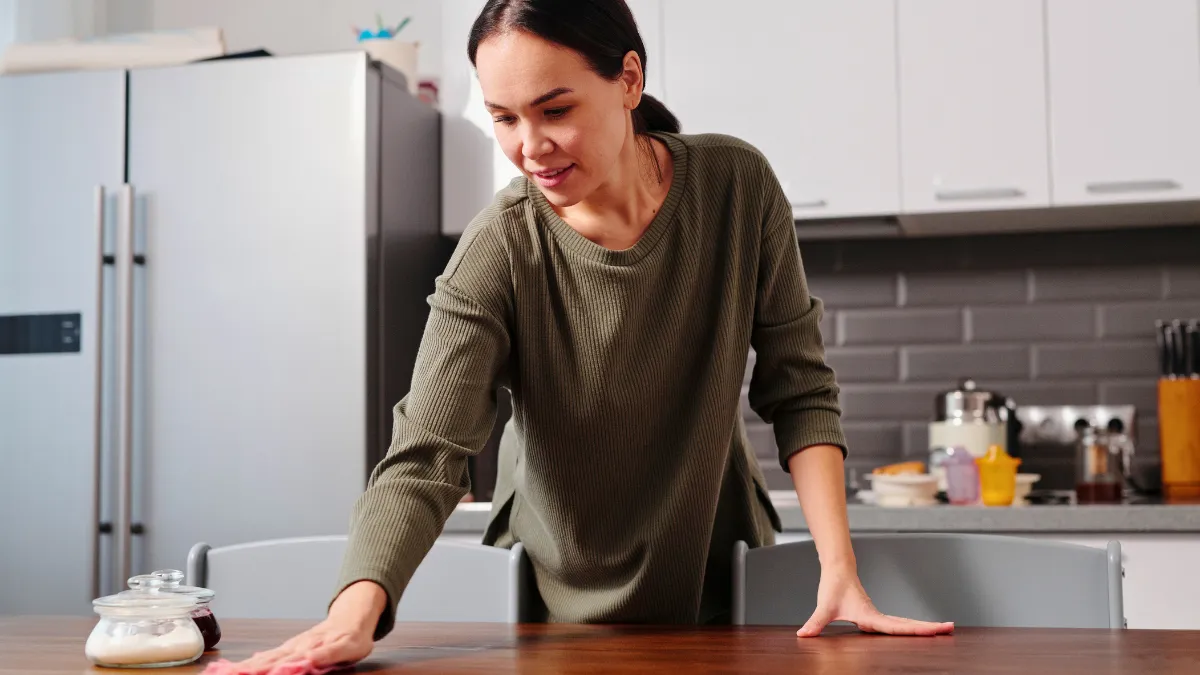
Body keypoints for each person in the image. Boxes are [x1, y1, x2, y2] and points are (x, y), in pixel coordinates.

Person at [232, 0, 953, 670]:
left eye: (555, 110)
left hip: (720, 583)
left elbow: (800, 389)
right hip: (552, 609)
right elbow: (426, 451)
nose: (529, 147)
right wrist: (354, 613)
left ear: (629, 79)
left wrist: (839, 569)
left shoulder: (737, 186)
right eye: (504, 118)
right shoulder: (500, 245)